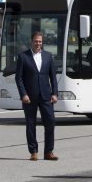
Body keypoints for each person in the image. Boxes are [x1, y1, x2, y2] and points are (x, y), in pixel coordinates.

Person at [15, 31, 58, 161]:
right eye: (36, 41)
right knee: (30, 123)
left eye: (40, 41)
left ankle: (48, 152)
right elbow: (19, 78)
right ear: (31, 41)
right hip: (29, 97)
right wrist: (23, 94)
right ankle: (33, 151)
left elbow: (53, 77)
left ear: (42, 42)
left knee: (50, 122)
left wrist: (55, 93)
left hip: (46, 95)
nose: (38, 43)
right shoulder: (23, 57)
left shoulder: (48, 56)